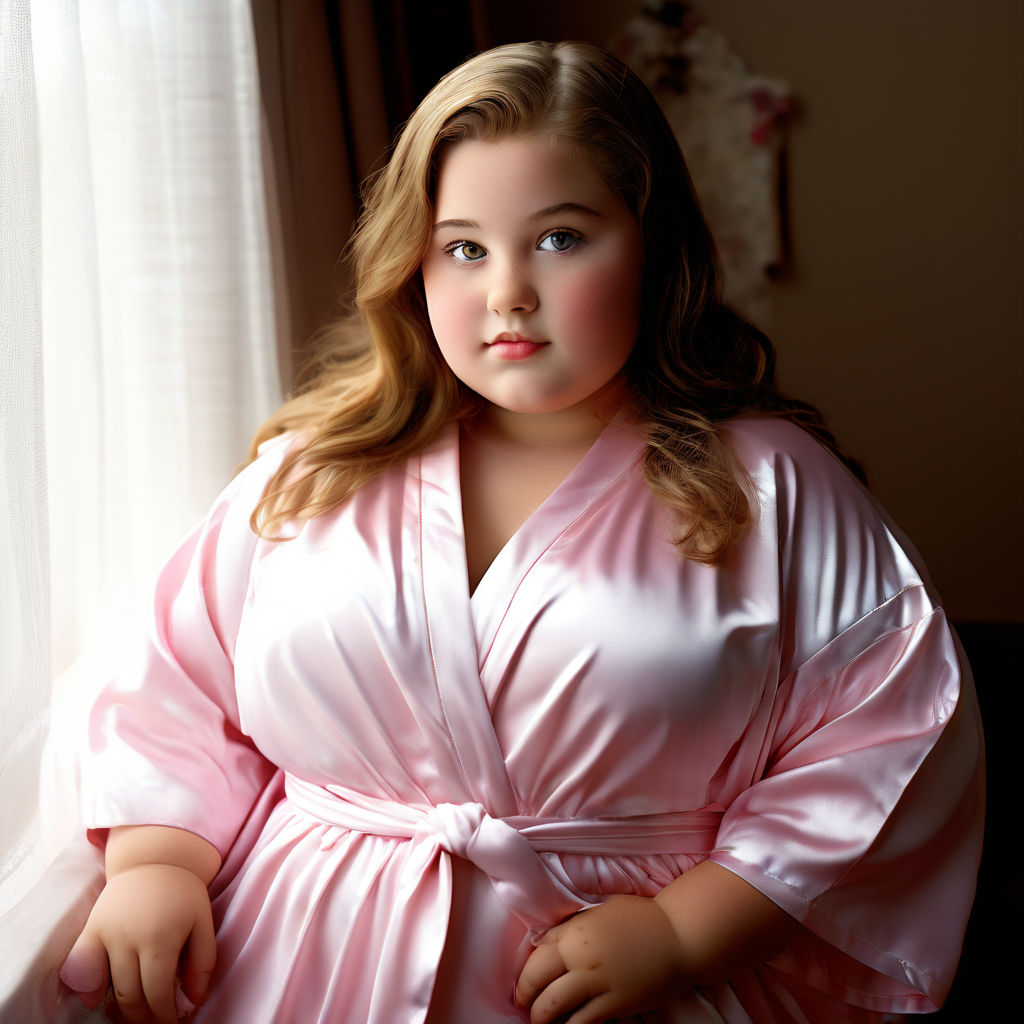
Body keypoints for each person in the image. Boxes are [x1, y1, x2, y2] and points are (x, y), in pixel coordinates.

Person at [59, 40, 983, 1024]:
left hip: (622, 982)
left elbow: (887, 740)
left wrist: (684, 930)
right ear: (411, 263)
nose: (506, 291)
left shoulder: (769, 487)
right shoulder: (309, 477)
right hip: (299, 970)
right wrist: (157, 861)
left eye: (559, 238)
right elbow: (177, 686)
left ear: (650, 243)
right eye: (464, 247)